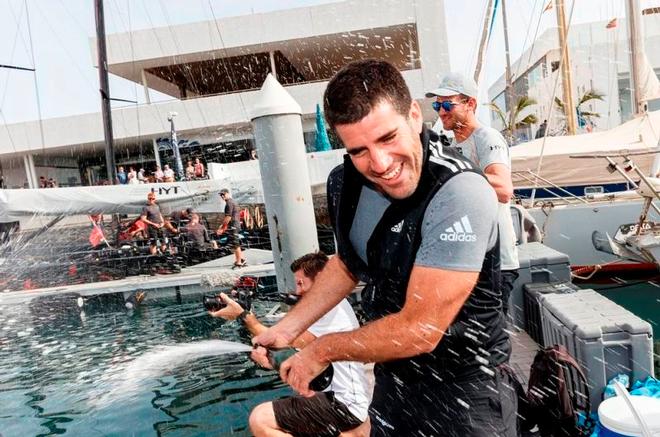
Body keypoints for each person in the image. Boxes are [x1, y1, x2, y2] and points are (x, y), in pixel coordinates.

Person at [251, 59, 516, 437]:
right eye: (359, 150)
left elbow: (421, 329)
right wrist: (289, 328)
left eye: (388, 138)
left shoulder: (460, 191)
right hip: (394, 385)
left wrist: (322, 349)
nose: (379, 163)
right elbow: (347, 265)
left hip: (467, 393)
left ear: (413, 116)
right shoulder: (345, 183)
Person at [211, 252, 370, 437]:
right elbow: (293, 349)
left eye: (301, 283)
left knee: (260, 419)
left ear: (320, 279)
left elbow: (281, 339)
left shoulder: (331, 309)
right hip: (343, 398)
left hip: (344, 403)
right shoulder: (333, 305)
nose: (297, 290)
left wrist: (242, 315)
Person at [426, 72, 520, 315]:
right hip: (467, 261)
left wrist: (456, 173)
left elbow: (504, 189)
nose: (441, 111)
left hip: (496, 263)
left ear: (470, 104)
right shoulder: (450, 146)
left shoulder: (486, 137)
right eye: (437, 105)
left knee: (490, 338)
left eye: (447, 104)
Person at [217, 188, 245, 267]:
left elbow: (228, 217)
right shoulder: (232, 202)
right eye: (221, 195)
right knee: (234, 242)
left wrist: (222, 228)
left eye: (223, 194)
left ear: (228, 194)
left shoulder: (229, 203)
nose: (222, 196)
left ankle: (239, 261)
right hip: (235, 225)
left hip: (233, 225)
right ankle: (241, 259)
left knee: (235, 243)